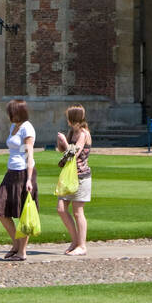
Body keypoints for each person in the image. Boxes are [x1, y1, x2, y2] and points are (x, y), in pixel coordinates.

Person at [0, 98, 37, 260]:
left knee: (24, 212)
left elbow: (29, 155)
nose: (10, 114)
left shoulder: (26, 128)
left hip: (23, 173)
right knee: (0, 209)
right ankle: (16, 244)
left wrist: (29, 179)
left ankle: (22, 251)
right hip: (12, 172)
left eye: (12, 111)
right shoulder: (13, 127)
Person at [56, 105, 92, 255]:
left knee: (78, 212)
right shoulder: (72, 132)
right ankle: (75, 240)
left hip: (81, 177)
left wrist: (64, 142)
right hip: (69, 176)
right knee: (61, 209)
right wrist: (60, 144)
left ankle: (82, 246)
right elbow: (63, 152)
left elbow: (73, 154)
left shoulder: (83, 134)